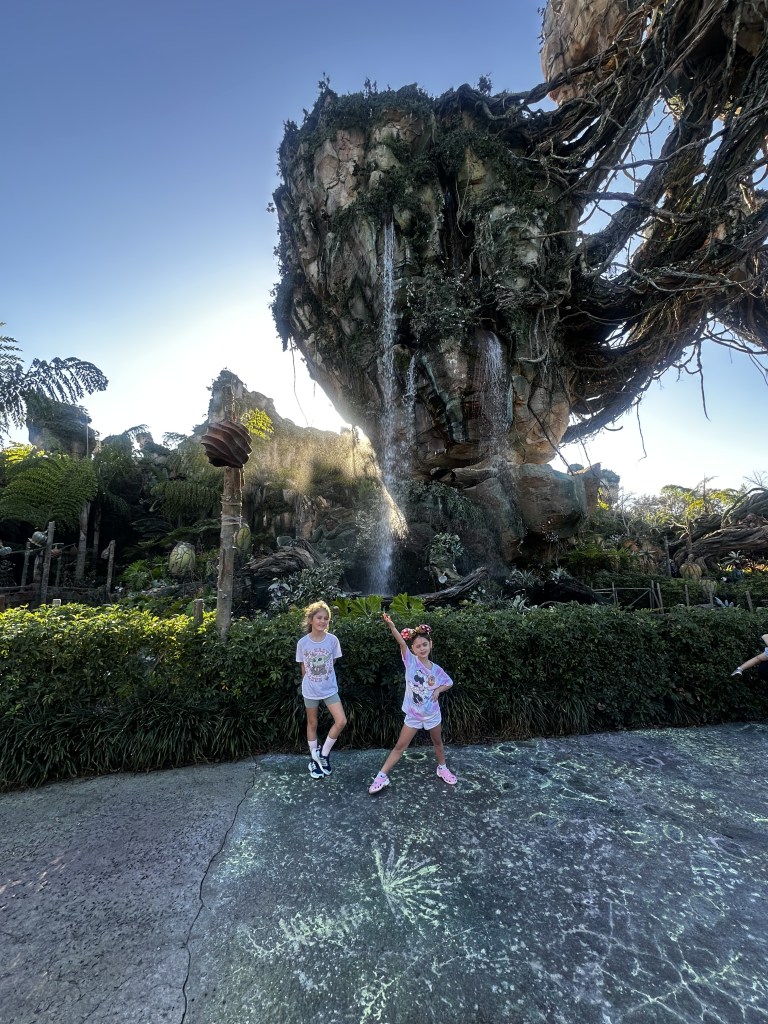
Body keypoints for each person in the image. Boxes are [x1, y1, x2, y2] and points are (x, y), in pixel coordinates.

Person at [369, 613, 457, 794]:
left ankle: (442, 768)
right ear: (413, 649)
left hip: (432, 714)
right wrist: (392, 626)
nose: (422, 648)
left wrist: (438, 690)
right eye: (418, 646)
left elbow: (449, 683)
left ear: (431, 645)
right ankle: (381, 776)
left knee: (438, 743)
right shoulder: (410, 662)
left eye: (425, 644)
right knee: (400, 746)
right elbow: (401, 643)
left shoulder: (437, 670)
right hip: (413, 715)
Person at [296, 600, 347, 779]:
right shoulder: (303, 643)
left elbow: (332, 662)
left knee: (341, 721)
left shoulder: (333, 641)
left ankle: (324, 754)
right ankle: (314, 759)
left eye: (326, 618)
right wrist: (311, 683)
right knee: (312, 723)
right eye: (319, 618)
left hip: (329, 689)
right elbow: (303, 668)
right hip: (310, 690)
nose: (322, 621)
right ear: (311, 619)